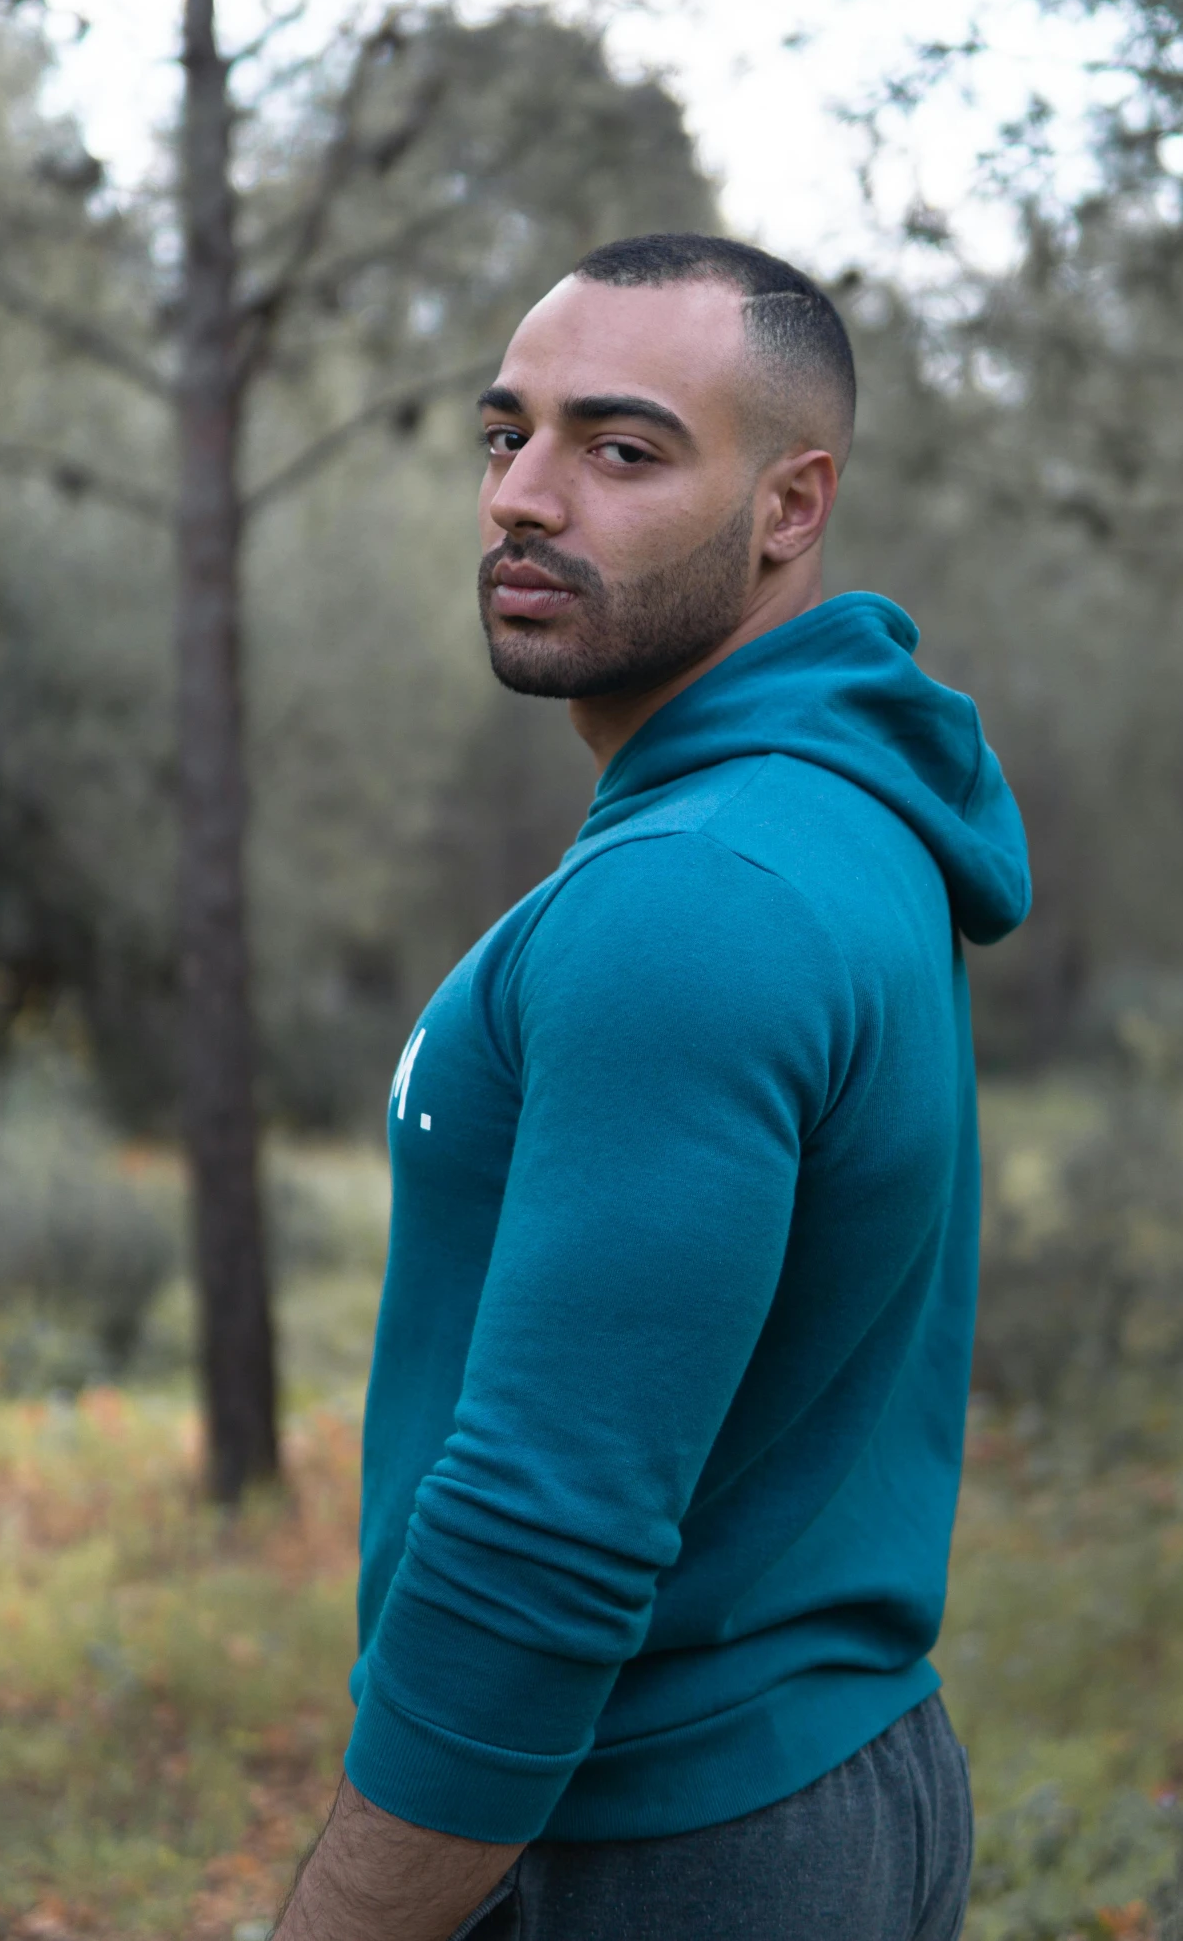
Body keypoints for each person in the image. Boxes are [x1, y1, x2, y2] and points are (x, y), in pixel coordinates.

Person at [276, 233, 1030, 1941]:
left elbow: (543, 1530)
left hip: (653, 1835)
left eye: (621, 450)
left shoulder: (694, 895)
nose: (524, 499)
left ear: (790, 504)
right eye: (505, 435)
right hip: (826, 1773)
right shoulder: (831, 819)